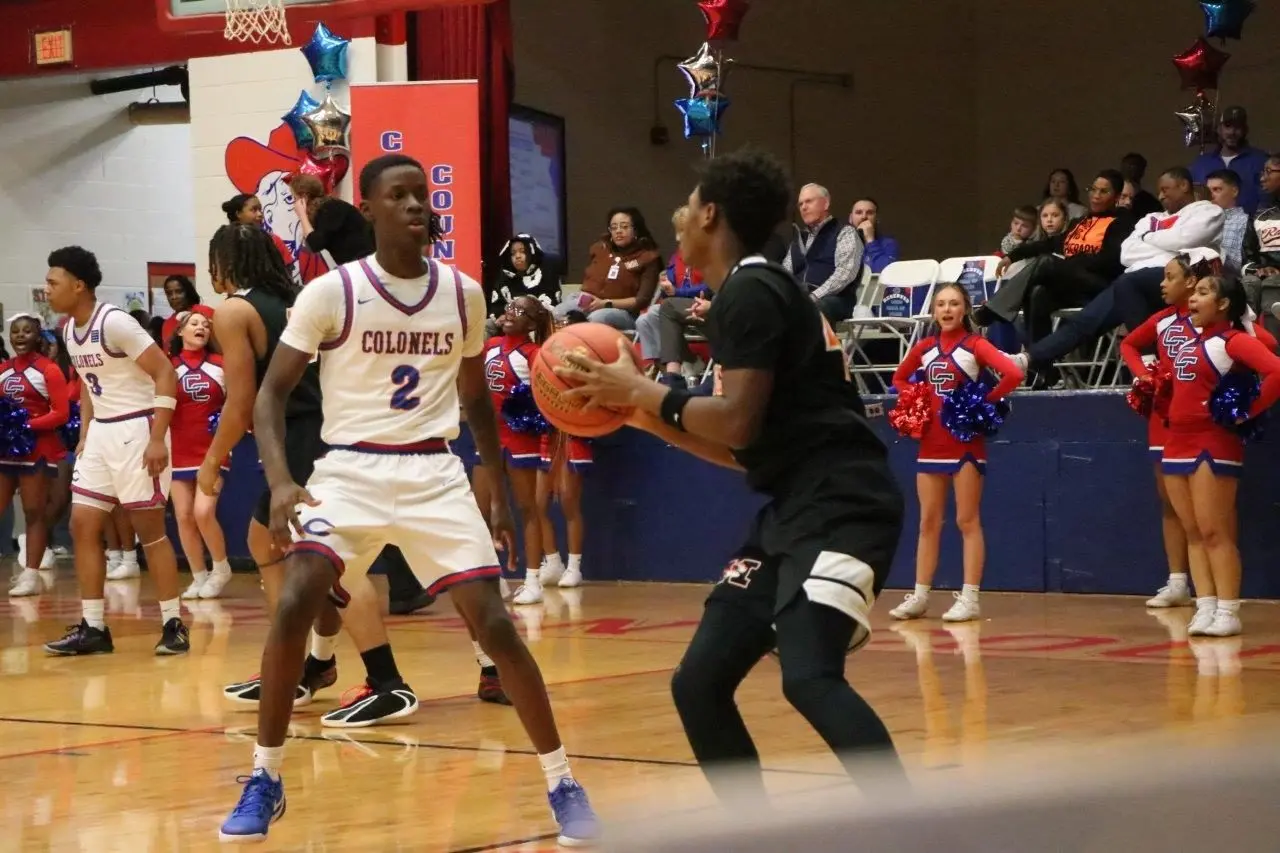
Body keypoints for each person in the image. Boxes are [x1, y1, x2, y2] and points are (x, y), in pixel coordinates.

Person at [218, 154, 599, 844]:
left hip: (433, 471)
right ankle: (264, 777)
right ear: (367, 210)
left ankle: (563, 782)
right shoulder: (332, 292)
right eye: (399, 195)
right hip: (350, 470)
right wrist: (279, 480)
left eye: (422, 194)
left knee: (496, 625)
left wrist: (492, 484)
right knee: (297, 596)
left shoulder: (463, 293)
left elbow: (475, 396)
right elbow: (270, 395)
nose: (417, 204)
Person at [557, 147, 906, 803]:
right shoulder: (750, 293)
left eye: (688, 205)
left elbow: (737, 422)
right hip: (794, 506)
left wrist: (642, 390)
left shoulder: (751, 290)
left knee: (809, 676)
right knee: (699, 682)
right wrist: (643, 417)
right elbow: (744, 449)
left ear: (711, 214)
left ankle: (916, 830)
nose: (679, 215)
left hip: (844, 506)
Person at [204, 224, 343, 705]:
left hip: (295, 436)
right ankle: (318, 662)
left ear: (223, 264)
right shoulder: (298, 299)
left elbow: (241, 400)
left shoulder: (234, 310)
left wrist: (212, 460)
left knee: (267, 544)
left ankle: (289, 668)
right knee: (318, 560)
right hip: (333, 429)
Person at [41, 246, 188, 656]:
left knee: (149, 531)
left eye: (52, 282)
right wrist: (86, 432)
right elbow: (90, 384)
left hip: (138, 427)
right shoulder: (68, 330)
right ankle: (93, 627)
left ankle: (174, 624)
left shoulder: (115, 322)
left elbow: (166, 373)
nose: (46, 289)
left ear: (78, 285)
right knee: (82, 525)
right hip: (102, 433)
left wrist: (158, 437)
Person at [887, 283, 1022, 623]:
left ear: (965, 310)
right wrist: (915, 397)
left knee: (966, 520)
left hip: (964, 444)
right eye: (941, 304)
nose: (947, 310)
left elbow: (1013, 373)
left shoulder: (975, 345)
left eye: (954, 304)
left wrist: (984, 401)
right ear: (934, 311)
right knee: (928, 521)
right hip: (931, 444)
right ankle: (920, 595)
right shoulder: (924, 347)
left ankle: (970, 598)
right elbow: (899, 379)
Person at [1161, 273, 1280, 637]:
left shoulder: (1233, 340)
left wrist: (1246, 411)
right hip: (1176, 440)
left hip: (1212, 441)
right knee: (1193, 531)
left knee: (1214, 530)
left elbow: (1276, 370)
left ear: (1224, 303)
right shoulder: (1190, 341)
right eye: (1193, 292)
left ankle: (1228, 610)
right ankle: (1206, 605)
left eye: (1202, 293)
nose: (1193, 299)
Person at [1119, 250, 1221, 611]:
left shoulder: (1213, 321)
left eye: (1169, 277)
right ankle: (1178, 581)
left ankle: (1217, 592)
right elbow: (1128, 344)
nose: (1162, 284)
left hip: (1204, 423)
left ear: (1191, 282)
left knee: (1209, 511)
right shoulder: (1162, 321)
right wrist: (1145, 376)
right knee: (1170, 502)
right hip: (1164, 420)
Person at [481, 295, 556, 606]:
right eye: (510, 307)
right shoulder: (490, 345)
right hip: (489, 438)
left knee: (527, 509)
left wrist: (531, 417)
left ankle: (532, 579)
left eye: (520, 311)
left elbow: (549, 399)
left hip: (521, 438)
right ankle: (492, 577)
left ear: (532, 323)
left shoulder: (534, 354)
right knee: (479, 509)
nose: (511, 313)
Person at [3, 314, 71, 598]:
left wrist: (27, 425)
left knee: (34, 512)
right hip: (5, 450)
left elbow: (61, 413)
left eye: (27, 331)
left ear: (37, 335)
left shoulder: (49, 370)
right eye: (15, 331)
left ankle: (30, 575)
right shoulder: (3, 369)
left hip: (37, 450)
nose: (20, 336)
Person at [168, 311, 232, 600]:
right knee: (183, 516)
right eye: (194, 324)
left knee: (203, 512)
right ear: (180, 331)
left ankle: (221, 569)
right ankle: (198, 575)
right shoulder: (168, 367)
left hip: (211, 450)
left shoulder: (221, 364)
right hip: (177, 450)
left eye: (206, 325)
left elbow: (236, 402)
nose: (201, 328)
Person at [223, 193, 296, 274]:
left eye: (260, 209)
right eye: (253, 210)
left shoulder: (273, 240)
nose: (260, 214)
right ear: (238, 214)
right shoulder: (226, 243)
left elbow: (288, 272)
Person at [159, 275, 214, 347]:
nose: (174, 297)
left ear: (188, 292)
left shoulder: (205, 311)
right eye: (169, 293)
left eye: (179, 291)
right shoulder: (167, 324)